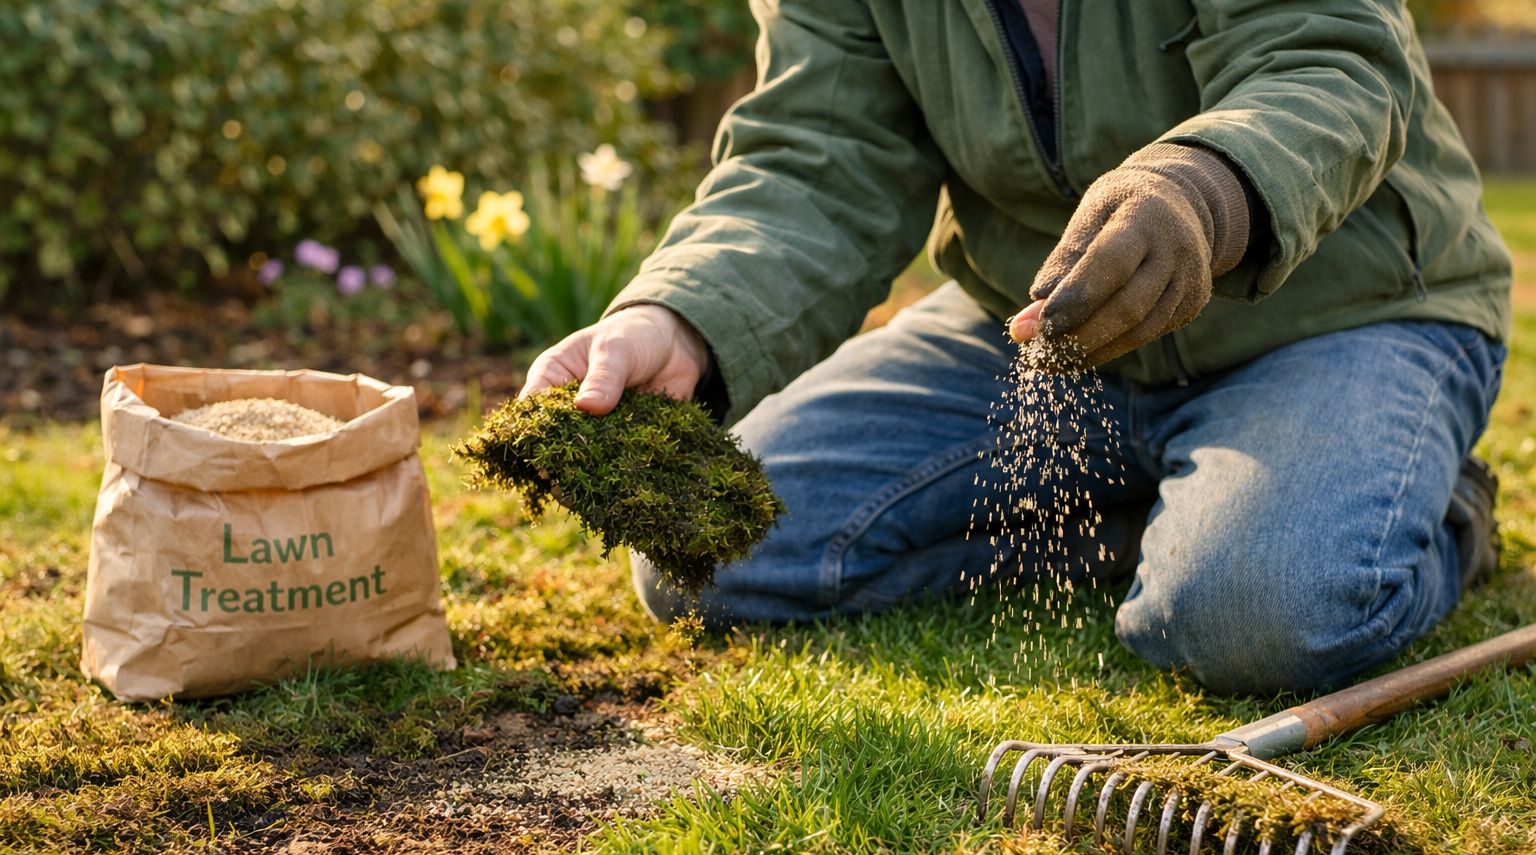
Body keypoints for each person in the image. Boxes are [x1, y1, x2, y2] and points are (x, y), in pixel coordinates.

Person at [520, 0, 1512, 696]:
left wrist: (1204, 191)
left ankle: (1431, 506)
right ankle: (1160, 516)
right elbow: (817, 164)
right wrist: (680, 316)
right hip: (1043, 331)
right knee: (705, 553)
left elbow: (1330, 61)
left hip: (1335, 313)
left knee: (1252, 612)